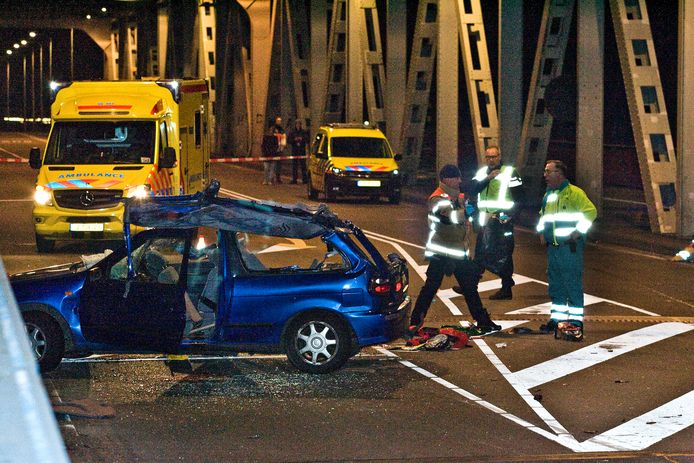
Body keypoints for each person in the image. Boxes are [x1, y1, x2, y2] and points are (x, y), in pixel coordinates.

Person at [409, 164, 501, 335]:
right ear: (446, 179)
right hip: (441, 252)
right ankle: (415, 322)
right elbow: (448, 217)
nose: (460, 181)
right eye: (456, 177)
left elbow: (468, 203)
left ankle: (483, 321)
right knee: (431, 288)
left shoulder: (457, 196)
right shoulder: (437, 199)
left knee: (468, 287)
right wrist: (466, 212)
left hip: (458, 252)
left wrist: (471, 213)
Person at [537, 160, 597, 341]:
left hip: (569, 248)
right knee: (556, 285)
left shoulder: (574, 193)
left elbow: (590, 212)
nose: (545, 175)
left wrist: (578, 232)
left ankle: (576, 322)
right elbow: (543, 215)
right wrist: (541, 232)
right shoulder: (549, 194)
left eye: (548, 171)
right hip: (553, 248)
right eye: (545, 171)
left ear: (560, 174)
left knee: (571, 283)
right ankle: (557, 320)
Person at [457, 145, 523, 300]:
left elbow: (520, 197)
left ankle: (505, 287)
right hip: (486, 220)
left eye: (494, 156)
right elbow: (471, 189)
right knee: (480, 252)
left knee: (503, 254)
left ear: (499, 156)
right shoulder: (482, 173)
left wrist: (512, 216)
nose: (491, 160)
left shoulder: (510, 172)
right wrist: (488, 178)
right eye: (488, 157)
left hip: (502, 220)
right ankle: (471, 285)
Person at [288, 119, 309, 184]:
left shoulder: (303, 132)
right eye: (297, 124)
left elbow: (307, 139)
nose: (298, 125)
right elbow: (289, 140)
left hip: (302, 150)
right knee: (295, 166)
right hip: (295, 150)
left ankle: (304, 179)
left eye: (299, 124)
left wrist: (302, 139)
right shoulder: (292, 132)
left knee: (303, 166)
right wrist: (294, 140)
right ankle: (294, 179)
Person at [273, 116, 287, 184]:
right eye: (278, 121)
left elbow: (284, 137)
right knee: (273, 163)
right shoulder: (273, 129)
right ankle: (272, 177)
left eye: (280, 121)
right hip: (274, 148)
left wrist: (283, 146)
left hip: (280, 148)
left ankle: (278, 177)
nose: (279, 122)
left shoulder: (282, 129)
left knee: (279, 164)